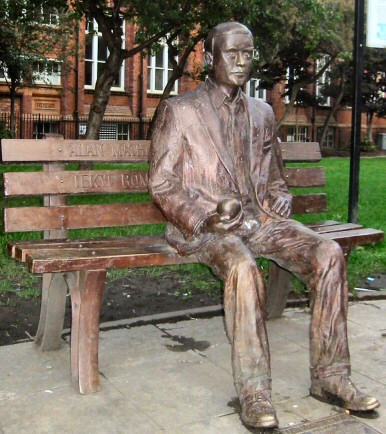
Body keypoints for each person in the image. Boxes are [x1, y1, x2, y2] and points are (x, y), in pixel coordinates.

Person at [149, 22, 380, 429]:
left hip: (259, 221)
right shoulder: (180, 110)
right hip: (205, 228)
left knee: (327, 253)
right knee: (241, 267)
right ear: (209, 57)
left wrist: (281, 197)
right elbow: (163, 183)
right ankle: (254, 391)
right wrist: (204, 215)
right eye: (231, 53)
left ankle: (331, 377)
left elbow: (275, 179)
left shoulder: (262, 112)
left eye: (248, 54)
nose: (241, 62)